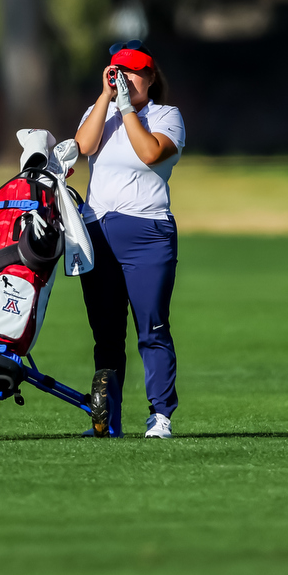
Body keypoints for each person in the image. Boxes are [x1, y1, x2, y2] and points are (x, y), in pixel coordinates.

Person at [74, 40, 186, 439]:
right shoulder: (98, 111)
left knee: (152, 328)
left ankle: (160, 415)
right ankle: (107, 418)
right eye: (117, 71)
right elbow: (81, 148)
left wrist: (126, 109)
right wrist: (106, 98)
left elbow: (150, 153)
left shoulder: (165, 115)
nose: (125, 78)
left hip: (148, 234)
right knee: (106, 334)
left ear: (151, 77)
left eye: (134, 72)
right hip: (97, 233)